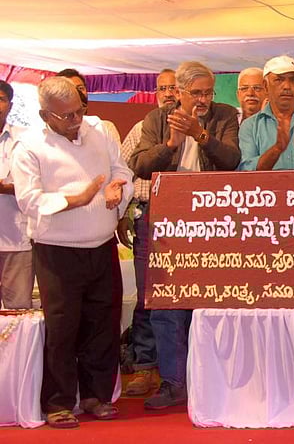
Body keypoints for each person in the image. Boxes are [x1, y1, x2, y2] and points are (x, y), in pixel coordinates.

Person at [12, 77, 134, 427]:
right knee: (63, 329)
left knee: (103, 325)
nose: (76, 120)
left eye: (79, 111)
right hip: (57, 251)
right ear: (44, 114)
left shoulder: (99, 132)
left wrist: (117, 190)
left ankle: (95, 395)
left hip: (101, 245)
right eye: (66, 116)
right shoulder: (30, 147)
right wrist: (75, 200)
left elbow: (121, 170)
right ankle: (58, 402)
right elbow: (29, 200)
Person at [130, 61, 241, 410]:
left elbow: (231, 159)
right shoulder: (157, 119)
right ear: (178, 93)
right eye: (196, 93)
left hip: (210, 222)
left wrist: (199, 133)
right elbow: (141, 165)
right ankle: (173, 381)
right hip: (164, 221)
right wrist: (171, 143)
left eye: (208, 92)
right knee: (165, 306)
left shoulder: (224, 116)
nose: (204, 98)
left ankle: (208, 376)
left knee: (209, 302)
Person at [117, 68, 176, 396]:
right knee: (147, 297)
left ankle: (179, 369)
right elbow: (123, 171)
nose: (168, 94)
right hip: (149, 217)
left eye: (173, 88)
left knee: (183, 301)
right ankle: (143, 367)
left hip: (189, 222)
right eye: (162, 88)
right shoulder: (142, 128)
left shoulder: (198, 128)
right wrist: (123, 212)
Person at [0, 79, 34, 310]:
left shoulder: (25, 139)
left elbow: (35, 185)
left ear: (10, 105)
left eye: (0, 99)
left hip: (16, 240)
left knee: (18, 314)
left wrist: (7, 188)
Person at [56, 68, 121, 145]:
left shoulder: (105, 127)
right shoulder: (49, 131)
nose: (77, 93)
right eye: (69, 89)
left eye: (80, 88)